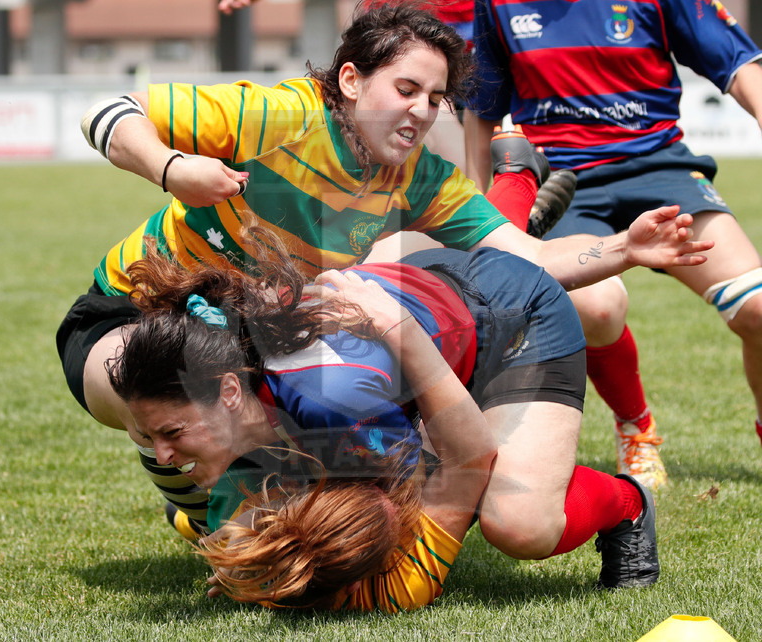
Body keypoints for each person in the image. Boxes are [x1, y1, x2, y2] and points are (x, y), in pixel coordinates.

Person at [58, 4, 710, 532]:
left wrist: (627, 248)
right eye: (405, 89)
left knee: (339, 437)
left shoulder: (420, 179)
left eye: (435, 98)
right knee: (157, 382)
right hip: (131, 310)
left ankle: (221, 509)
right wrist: (173, 168)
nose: (422, 110)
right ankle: (204, 504)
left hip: (256, 335)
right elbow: (106, 112)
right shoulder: (278, 116)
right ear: (350, 81)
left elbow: (531, 260)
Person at [104, 226, 658, 611]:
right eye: (149, 436)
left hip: (508, 320)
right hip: (420, 292)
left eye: (171, 433)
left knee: (517, 522)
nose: (162, 456)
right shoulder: (236, 380)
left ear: (229, 393)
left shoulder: (334, 401)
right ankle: (517, 184)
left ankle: (626, 504)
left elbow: (461, 462)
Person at [464, 0, 762, 491]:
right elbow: (484, 109)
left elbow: (737, 63)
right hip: (562, 181)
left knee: (756, 309)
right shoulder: (497, 4)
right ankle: (636, 426)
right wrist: (488, 210)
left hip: (659, 167)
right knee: (597, 308)